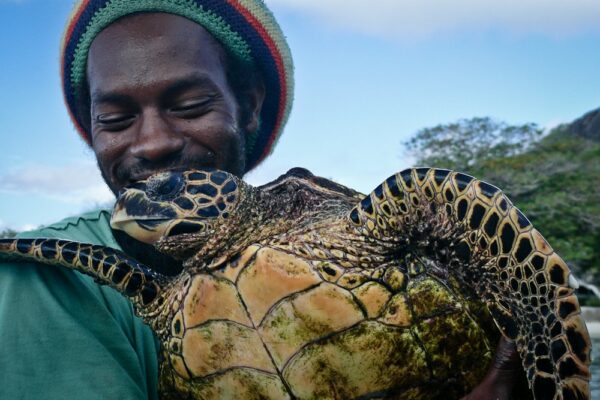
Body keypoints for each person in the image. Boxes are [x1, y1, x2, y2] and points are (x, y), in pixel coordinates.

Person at [0, 1, 523, 398]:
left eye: (189, 104)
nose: (153, 142)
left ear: (248, 106)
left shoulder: (356, 224)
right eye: (114, 118)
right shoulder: (52, 285)